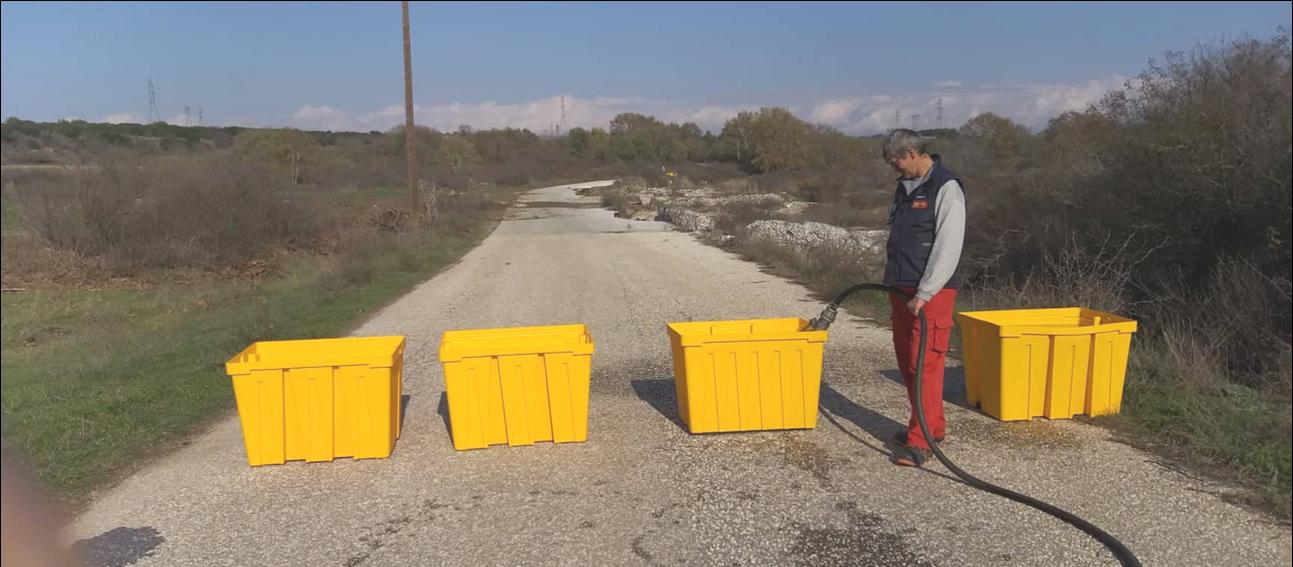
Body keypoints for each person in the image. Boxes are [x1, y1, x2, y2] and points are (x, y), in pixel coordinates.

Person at [880, 129, 966, 467]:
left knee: (924, 366)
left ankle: (921, 443)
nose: (894, 168)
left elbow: (948, 246)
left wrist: (925, 292)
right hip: (901, 290)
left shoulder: (946, 188)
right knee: (908, 364)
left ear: (913, 152)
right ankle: (932, 426)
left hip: (931, 294)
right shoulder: (905, 188)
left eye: (896, 161)